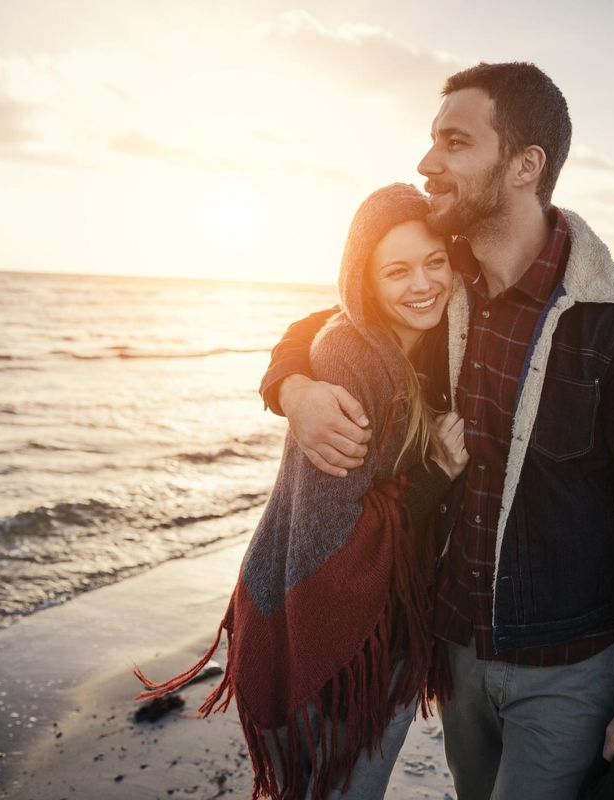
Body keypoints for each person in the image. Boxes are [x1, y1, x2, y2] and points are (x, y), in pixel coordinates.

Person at [259, 62, 614, 799]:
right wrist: (293, 387)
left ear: (526, 165)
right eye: (431, 141)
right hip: (456, 659)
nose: (428, 163)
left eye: (454, 143)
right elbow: (336, 319)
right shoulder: (443, 285)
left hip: (567, 668)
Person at [135, 183, 470, 799]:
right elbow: (337, 536)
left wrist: (287, 383)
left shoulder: (440, 337)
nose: (422, 284)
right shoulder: (352, 355)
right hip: (332, 639)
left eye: (434, 262)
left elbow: (306, 324)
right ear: (363, 279)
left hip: (374, 625)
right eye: (396, 270)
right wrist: (437, 473)